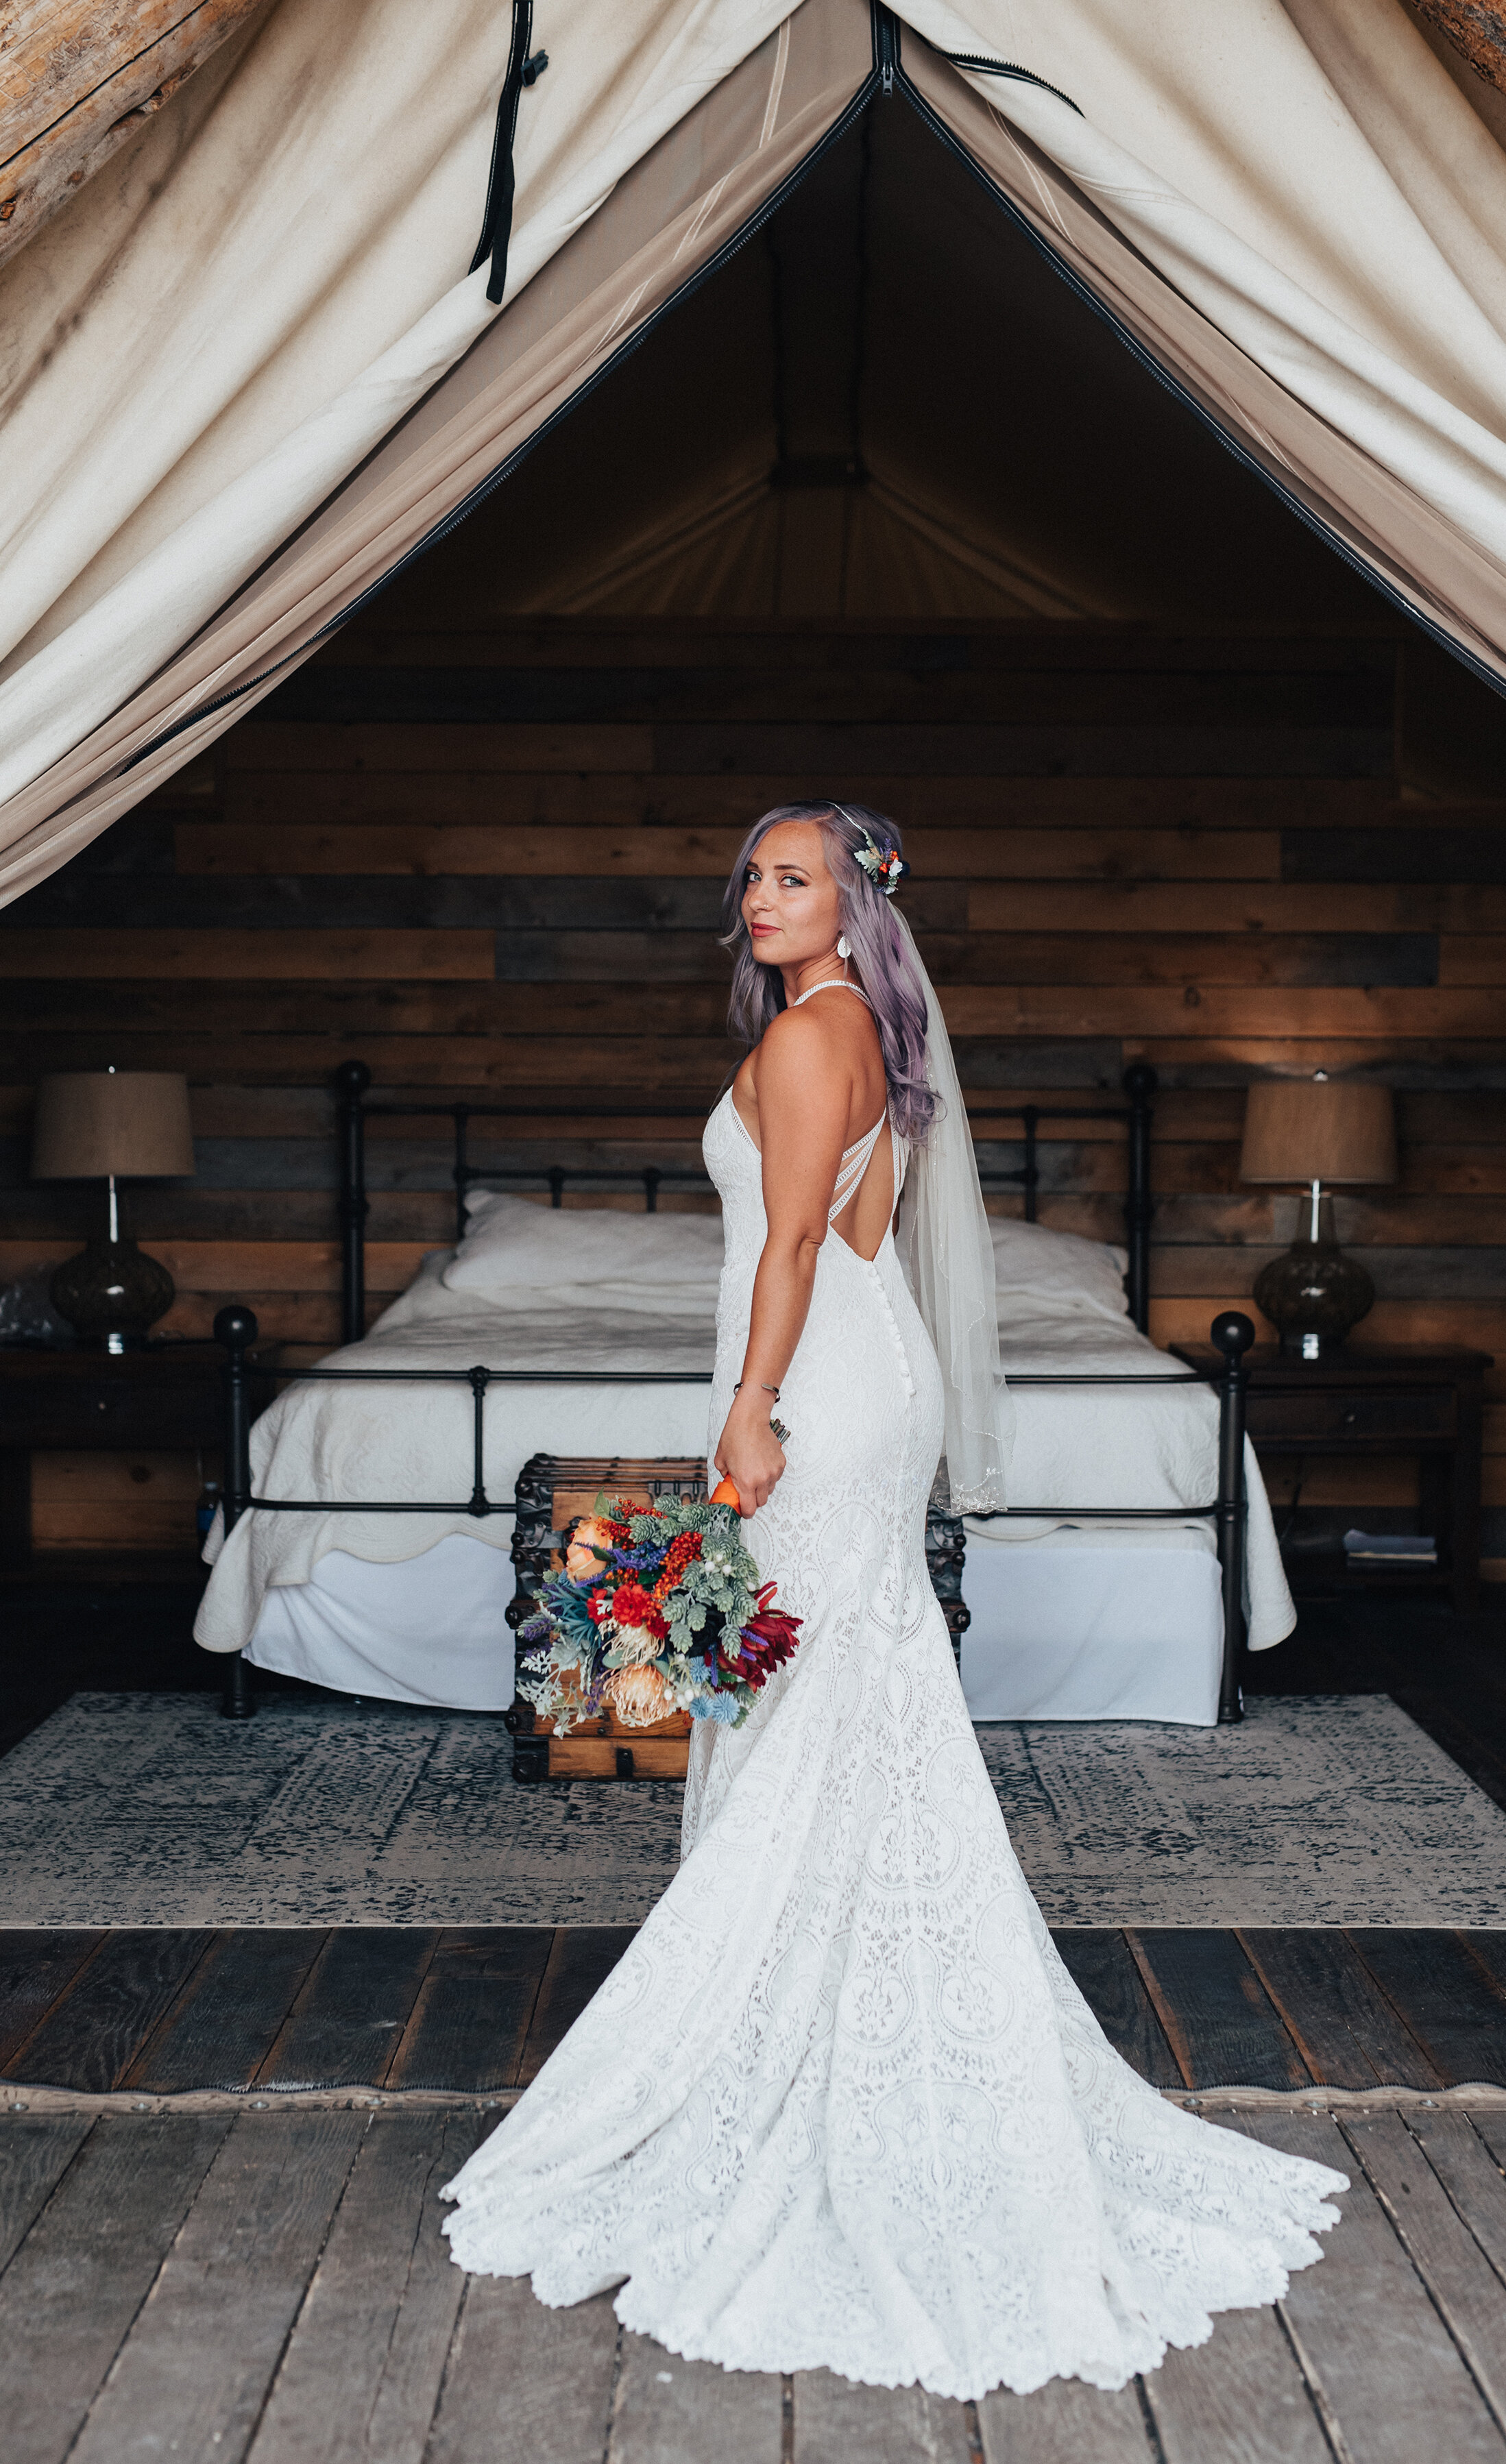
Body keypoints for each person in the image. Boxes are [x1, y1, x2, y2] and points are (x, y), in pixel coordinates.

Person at [442, 801, 1345, 2397]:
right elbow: (862, 1232)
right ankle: (832, 2017)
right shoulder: (877, 1037)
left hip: (812, 1389)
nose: (758, 898)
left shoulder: (811, 1039)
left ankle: (780, 2031)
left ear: (856, 902)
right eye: (751, 878)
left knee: (799, 1695)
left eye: (792, 878)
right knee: (840, 1687)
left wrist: (748, 1406)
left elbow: (794, 1239)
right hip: (872, 1376)